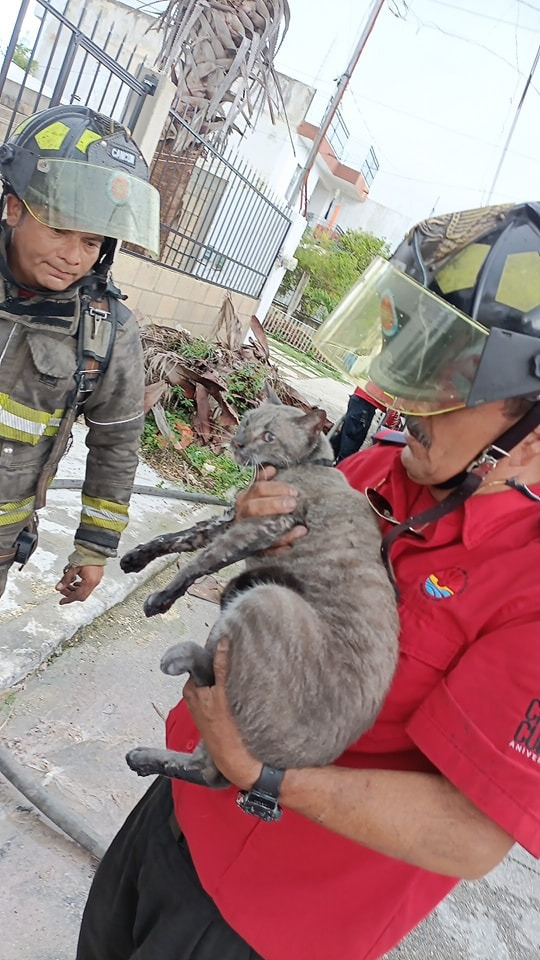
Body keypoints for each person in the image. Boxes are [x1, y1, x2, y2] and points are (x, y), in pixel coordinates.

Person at [76, 201, 540, 960]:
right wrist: (249, 536)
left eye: (456, 375)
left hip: (273, 923)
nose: (409, 393)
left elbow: (469, 834)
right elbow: (262, 606)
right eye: (418, 350)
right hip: (178, 815)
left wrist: (263, 776)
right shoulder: (371, 471)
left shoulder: (527, 588)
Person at [0, 104, 160, 603]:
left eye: (91, 241)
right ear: (13, 208)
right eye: (58, 229)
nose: (73, 255)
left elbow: (117, 443)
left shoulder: (106, 331)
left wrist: (93, 545)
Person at [331, 383, 402, 463]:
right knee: (351, 442)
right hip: (366, 403)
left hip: (362, 399)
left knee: (344, 437)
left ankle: (325, 460)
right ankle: (341, 468)